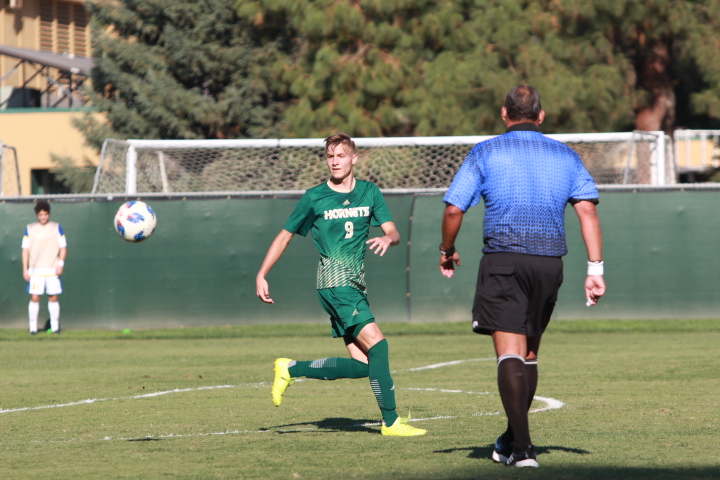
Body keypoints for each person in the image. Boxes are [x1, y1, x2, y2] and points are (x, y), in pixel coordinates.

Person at [439, 85, 605, 467]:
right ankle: (510, 439)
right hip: (550, 264)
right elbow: (588, 212)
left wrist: (447, 250)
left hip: (504, 260)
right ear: (541, 116)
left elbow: (453, 210)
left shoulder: (485, 151)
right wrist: (595, 269)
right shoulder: (565, 154)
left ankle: (524, 450)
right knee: (529, 354)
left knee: (509, 354)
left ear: (504, 113)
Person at [256, 132, 427, 437]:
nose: (335, 162)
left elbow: (394, 232)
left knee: (364, 363)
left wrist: (388, 238)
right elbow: (284, 236)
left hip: (355, 283)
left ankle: (290, 369)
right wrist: (262, 273)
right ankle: (391, 422)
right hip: (334, 282)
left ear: (354, 158)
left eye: (341, 156)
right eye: (330, 156)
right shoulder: (314, 197)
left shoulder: (370, 192)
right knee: (380, 345)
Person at [22, 200, 67, 335]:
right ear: (37, 215)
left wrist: (60, 263)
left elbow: (63, 247)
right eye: (40, 214)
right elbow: (25, 249)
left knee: (53, 297)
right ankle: (33, 328)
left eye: (45, 214)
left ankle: (55, 328)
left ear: (49, 214)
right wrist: (25, 269)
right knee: (35, 298)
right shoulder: (30, 228)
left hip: (52, 270)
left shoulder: (57, 227)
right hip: (35, 271)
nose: (43, 217)